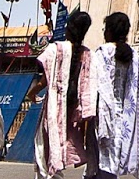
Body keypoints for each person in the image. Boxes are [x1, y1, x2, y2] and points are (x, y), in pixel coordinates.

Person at [25, 10, 95, 179]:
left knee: (44, 150)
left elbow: (43, 81)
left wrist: (31, 93)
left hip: (53, 110)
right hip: (72, 111)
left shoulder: (55, 49)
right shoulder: (87, 54)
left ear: (69, 28)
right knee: (58, 148)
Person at [92, 12, 139, 178]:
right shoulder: (133, 56)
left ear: (110, 31)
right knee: (113, 157)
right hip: (125, 117)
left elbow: (93, 84)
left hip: (103, 114)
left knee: (101, 161)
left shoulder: (102, 53)